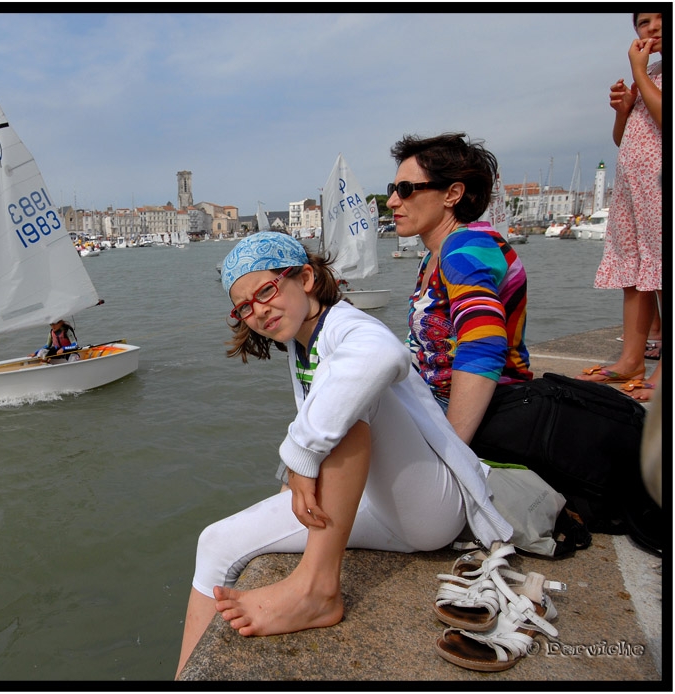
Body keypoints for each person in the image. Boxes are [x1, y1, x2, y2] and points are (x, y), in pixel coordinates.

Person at [175, 232, 512, 677]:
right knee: (214, 543)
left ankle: (316, 589)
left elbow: (380, 354)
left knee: (351, 404)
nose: (258, 311)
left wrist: (299, 455)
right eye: (244, 307)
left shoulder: (346, 325)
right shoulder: (302, 343)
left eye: (267, 291)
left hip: (432, 509)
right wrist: (294, 472)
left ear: (307, 278)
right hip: (379, 507)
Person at [387, 132, 532, 444]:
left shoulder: (465, 249)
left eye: (405, 189)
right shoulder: (434, 257)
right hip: (430, 399)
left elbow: (484, 344)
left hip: (474, 411)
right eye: (393, 189)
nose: (391, 201)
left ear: (452, 194)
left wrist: (453, 451)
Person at [577, 12, 662, 402]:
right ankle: (631, 358)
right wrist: (623, 110)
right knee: (634, 268)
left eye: (664, 17)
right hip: (634, 187)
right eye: (644, 22)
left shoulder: (653, 73)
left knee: (663, 270)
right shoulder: (654, 71)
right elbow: (621, 139)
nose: (654, 27)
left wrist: (639, 74)